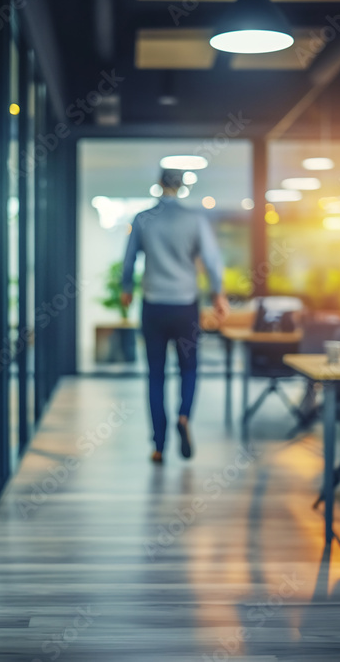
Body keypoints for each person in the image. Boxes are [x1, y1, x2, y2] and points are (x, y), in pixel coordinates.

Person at [120, 168, 228, 464]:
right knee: (189, 368)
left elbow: (128, 261)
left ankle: (158, 445)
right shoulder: (195, 219)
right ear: (181, 188)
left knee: (155, 375)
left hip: (153, 305)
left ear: (158, 185)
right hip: (185, 306)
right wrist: (218, 294)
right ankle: (183, 416)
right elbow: (212, 260)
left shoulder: (143, 219)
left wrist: (126, 289)